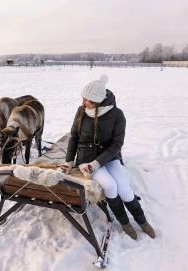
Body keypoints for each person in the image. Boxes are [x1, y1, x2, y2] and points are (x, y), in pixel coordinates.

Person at [60, 75, 155, 240]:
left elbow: (117, 144)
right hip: (86, 159)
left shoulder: (117, 115)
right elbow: (74, 137)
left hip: (109, 157)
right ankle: (125, 223)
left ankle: (142, 221)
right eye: (83, 98)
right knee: (110, 186)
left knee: (124, 190)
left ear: (97, 101)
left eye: (87, 100)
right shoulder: (81, 111)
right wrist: (69, 161)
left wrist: (98, 162)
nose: (83, 103)